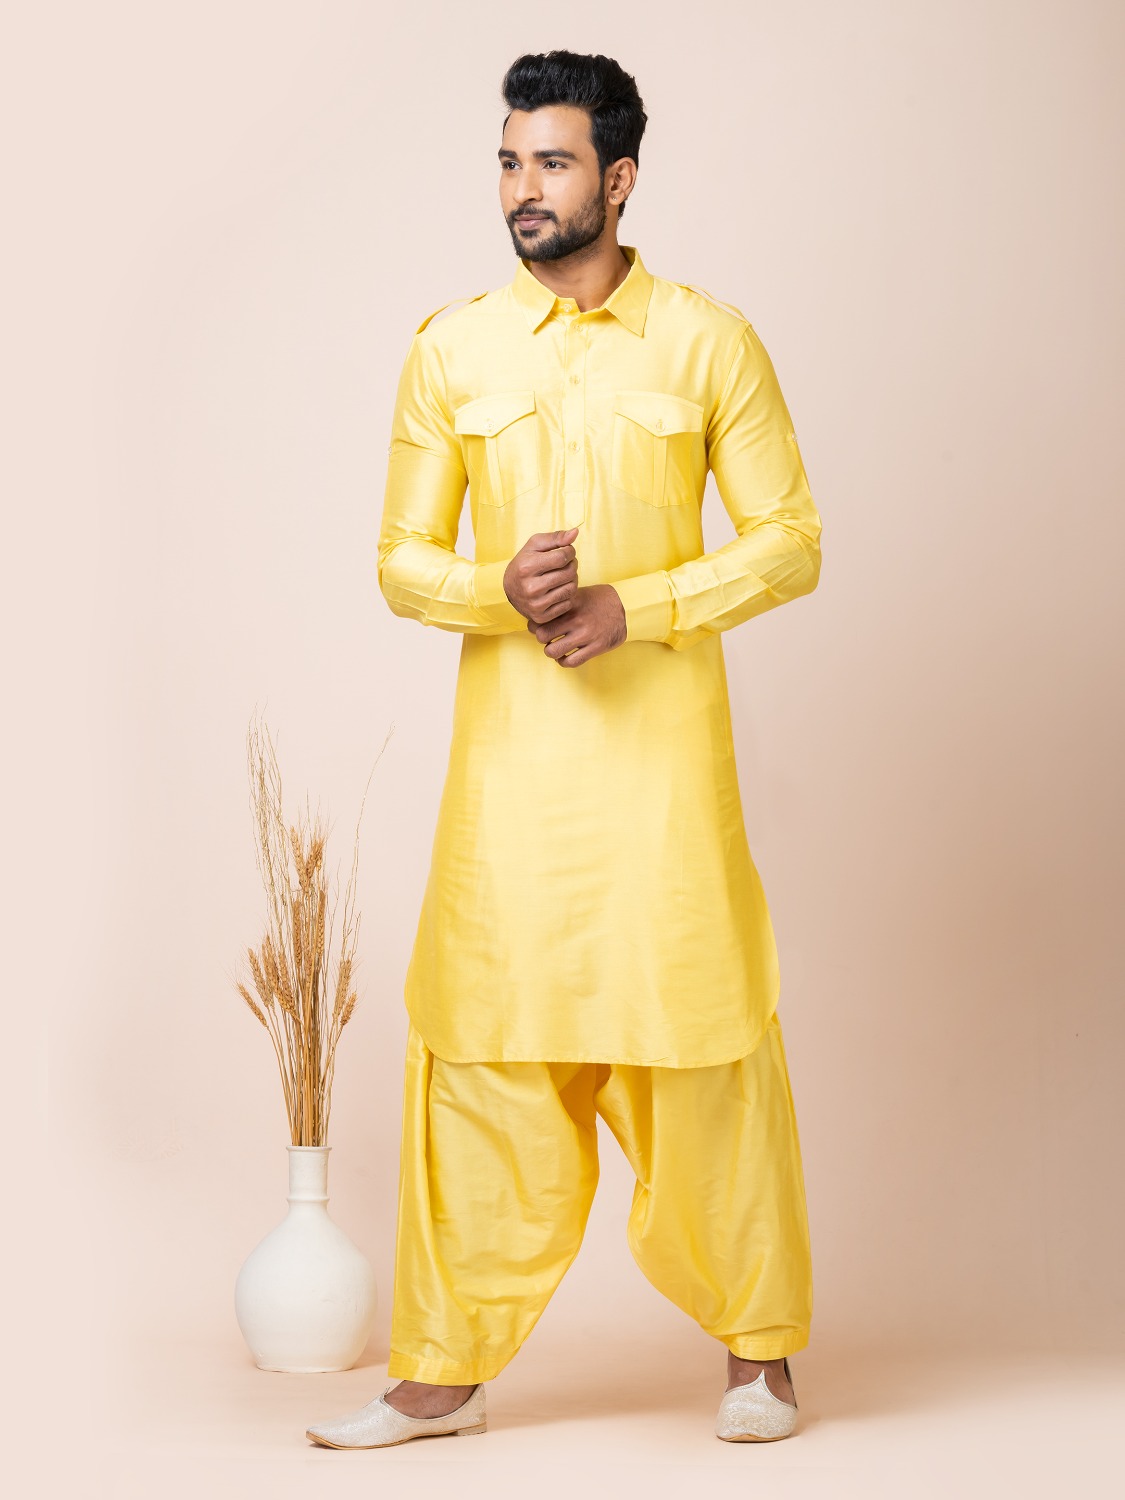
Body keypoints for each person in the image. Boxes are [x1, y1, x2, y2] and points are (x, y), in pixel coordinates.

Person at [306, 48, 823, 1451]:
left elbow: (790, 541)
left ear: (619, 176)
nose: (521, 188)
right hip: (510, 796)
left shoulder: (707, 343)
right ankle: (438, 1372)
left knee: (702, 1046)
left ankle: (760, 1357)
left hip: (663, 787)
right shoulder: (453, 348)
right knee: (481, 1047)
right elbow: (401, 560)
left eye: (550, 161)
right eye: (507, 161)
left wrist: (633, 607)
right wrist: (501, 591)